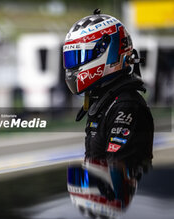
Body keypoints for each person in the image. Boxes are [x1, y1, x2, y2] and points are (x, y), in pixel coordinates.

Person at [62, 9, 154, 161]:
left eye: (80, 56)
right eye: (71, 58)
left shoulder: (126, 106)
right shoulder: (104, 100)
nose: (73, 66)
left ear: (108, 52)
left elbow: (118, 175)